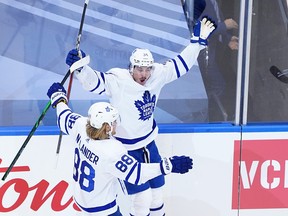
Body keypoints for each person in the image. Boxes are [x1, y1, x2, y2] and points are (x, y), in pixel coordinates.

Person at [65, 17, 216, 216]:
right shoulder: (118, 80)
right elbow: (94, 82)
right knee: (141, 198)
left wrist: (197, 44)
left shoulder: (157, 75)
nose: (144, 73)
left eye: (147, 68)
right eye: (139, 68)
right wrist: (82, 69)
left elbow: (180, 65)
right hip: (126, 149)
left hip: (148, 144)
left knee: (156, 196)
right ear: (131, 67)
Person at [47, 82, 193, 216]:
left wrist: (58, 98)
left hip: (81, 201)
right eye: (114, 121)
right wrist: (168, 166)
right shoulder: (112, 151)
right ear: (107, 127)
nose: (116, 124)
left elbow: (63, 117)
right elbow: (137, 174)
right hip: (103, 209)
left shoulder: (81, 126)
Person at [197, 0, 239, 121]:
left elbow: (215, 20)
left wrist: (227, 39)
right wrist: (225, 26)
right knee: (217, 86)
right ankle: (206, 117)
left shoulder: (212, 2)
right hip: (202, 56)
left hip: (210, 53)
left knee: (216, 85)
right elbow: (199, 31)